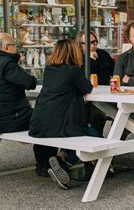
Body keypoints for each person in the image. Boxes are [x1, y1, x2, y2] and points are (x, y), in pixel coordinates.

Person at [0, 33, 49, 176]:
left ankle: (47, 162)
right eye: (14, 45)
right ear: (6, 47)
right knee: (45, 120)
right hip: (10, 119)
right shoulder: (7, 64)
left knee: (39, 116)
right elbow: (29, 83)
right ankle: (44, 164)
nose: (16, 47)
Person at [29, 39, 94, 189]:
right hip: (59, 126)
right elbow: (87, 88)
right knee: (92, 133)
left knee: (77, 130)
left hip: (39, 123)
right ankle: (63, 162)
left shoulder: (49, 70)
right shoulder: (73, 71)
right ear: (74, 53)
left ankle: (46, 165)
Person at [76, 31, 115, 135]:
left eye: (94, 42)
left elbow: (115, 71)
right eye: (88, 43)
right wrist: (90, 60)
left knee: (100, 113)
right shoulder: (76, 58)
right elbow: (79, 76)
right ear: (80, 45)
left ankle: (100, 137)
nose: (92, 46)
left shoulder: (103, 54)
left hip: (105, 94)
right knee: (92, 113)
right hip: (84, 96)